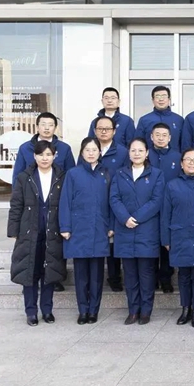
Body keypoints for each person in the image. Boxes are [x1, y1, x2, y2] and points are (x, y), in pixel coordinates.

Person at [8, 140, 66, 326]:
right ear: (34, 156)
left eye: (48, 154)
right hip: (30, 231)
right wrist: (14, 230)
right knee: (30, 272)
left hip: (52, 231)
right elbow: (16, 205)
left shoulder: (61, 177)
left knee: (49, 272)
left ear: (54, 156)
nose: (44, 158)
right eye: (41, 155)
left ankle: (47, 310)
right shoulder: (25, 177)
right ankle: (31, 311)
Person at [110, 138, 165, 325]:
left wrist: (137, 218)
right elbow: (114, 198)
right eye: (133, 150)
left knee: (146, 274)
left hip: (146, 230)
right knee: (130, 275)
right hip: (125, 229)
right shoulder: (120, 174)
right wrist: (125, 217)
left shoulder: (156, 174)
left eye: (140, 150)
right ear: (129, 153)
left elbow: (156, 201)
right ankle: (133, 310)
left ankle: (146, 311)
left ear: (147, 153)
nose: (136, 154)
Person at [59, 137, 112, 325]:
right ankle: (83, 310)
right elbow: (65, 201)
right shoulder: (73, 174)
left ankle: (93, 310)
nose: (91, 153)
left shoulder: (106, 174)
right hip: (78, 230)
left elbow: (112, 202)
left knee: (97, 276)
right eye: (87, 150)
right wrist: (65, 227)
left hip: (99, 229)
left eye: (94, 150)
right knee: (81, 275)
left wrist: (111, 226)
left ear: (100, 152)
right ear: (81, 153)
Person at [161, 148, 194, 328]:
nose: (191, 163)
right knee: (183, 275)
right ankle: (185, 309)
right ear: (181, 164)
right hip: (179, 235)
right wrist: (166, 239)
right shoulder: (172, 185)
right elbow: (166, 214)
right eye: (188, 159)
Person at [92, 115, 128, 292]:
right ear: (95, 131)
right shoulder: (89, 149)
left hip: (116, 200)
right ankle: (96, 278)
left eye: (107, 128)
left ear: (114, 131)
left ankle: (114, 277)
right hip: (94, 201)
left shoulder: (123, 152)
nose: (104, 131)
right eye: (100, 128)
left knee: (114, 241)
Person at [148, 123, 181, 293]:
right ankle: (152, 277)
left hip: (171, 206)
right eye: (157, 135)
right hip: (149, 205)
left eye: (164, 135)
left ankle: (166, 278)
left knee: (167, 243)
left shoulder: (178, 156)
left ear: (170, 138)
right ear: (151, 137)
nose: (160, 138)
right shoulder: (145, 154)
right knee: (152, 242)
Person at [12, 112, 75, 187]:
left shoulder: (64, 148)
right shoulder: (25, 148)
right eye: (43, 124)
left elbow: (71, 176)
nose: (47, 128)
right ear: (37, 127)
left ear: (55, 128)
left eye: (50, 125)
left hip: (57, 192)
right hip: (30, 192)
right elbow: (17, 176)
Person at [135, 85, 184, 152]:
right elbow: (138, 143)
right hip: (150, 157)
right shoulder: (144, 120)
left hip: (174, 157)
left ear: (169, 99)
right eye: (157, 96)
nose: (161, 99)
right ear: (153, 100)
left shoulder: (179, 120)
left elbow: (184, 143)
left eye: (164, 96)